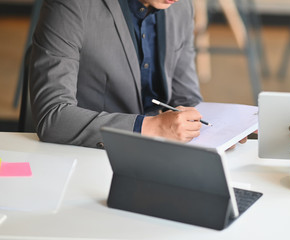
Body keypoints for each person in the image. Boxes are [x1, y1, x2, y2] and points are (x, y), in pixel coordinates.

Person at [29, 0, 205, 148]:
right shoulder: (71, 4)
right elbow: (53, 117)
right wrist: (152, 127)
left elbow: (187, 99)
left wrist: (212, 133)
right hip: (91, 155)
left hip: (160, 153)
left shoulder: (181, 7)